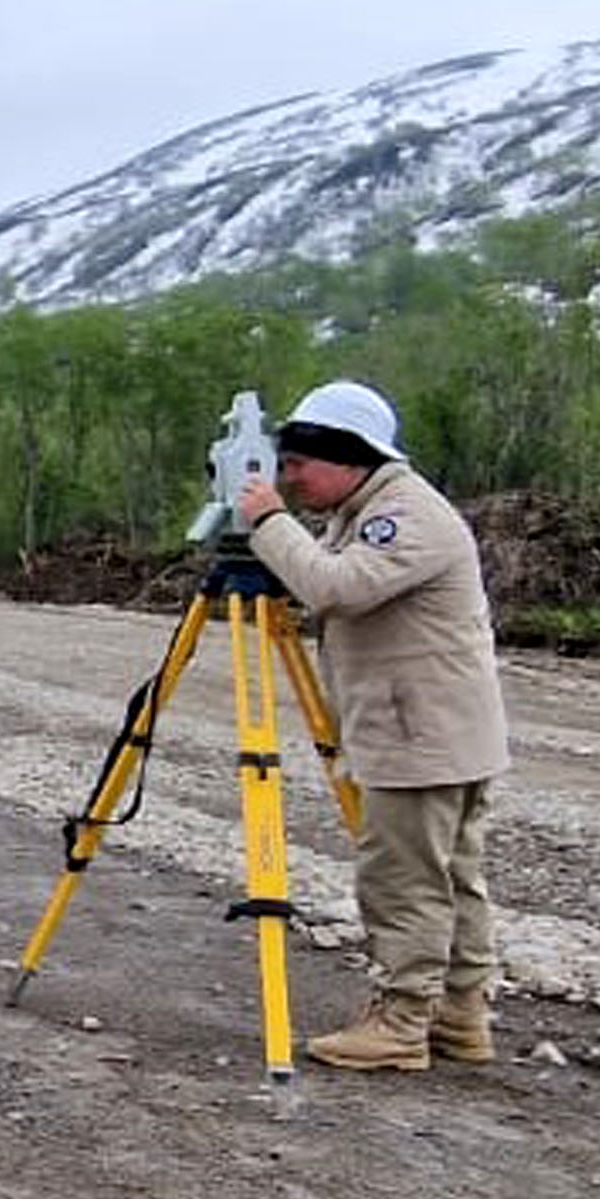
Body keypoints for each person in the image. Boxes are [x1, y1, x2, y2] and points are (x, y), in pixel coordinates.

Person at [232, 378, 513, 1072]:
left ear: (348, 455)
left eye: (298, 464)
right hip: (436, 731)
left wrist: (267, 523)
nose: (288, 478)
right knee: (451, 878)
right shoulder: (370, 509)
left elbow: (335, 588)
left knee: (405, 882)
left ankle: (402, 1023)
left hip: (419, 737)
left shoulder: (403, 515)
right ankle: (459, 1019)